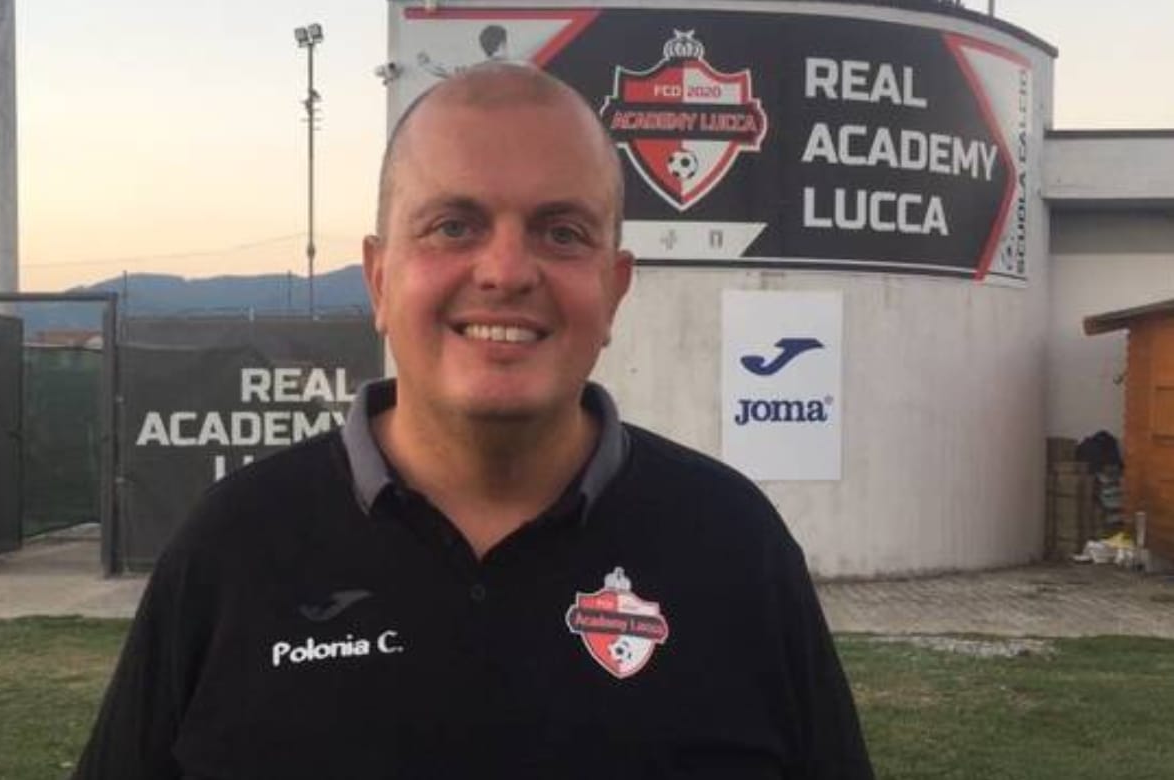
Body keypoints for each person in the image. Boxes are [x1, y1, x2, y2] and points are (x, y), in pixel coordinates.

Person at [74, 62, 873, 779]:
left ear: (613, 290)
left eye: (561, 232)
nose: (505, 271)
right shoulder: (234, 544)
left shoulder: (734, 545)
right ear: (379, 279)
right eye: (453, 226)